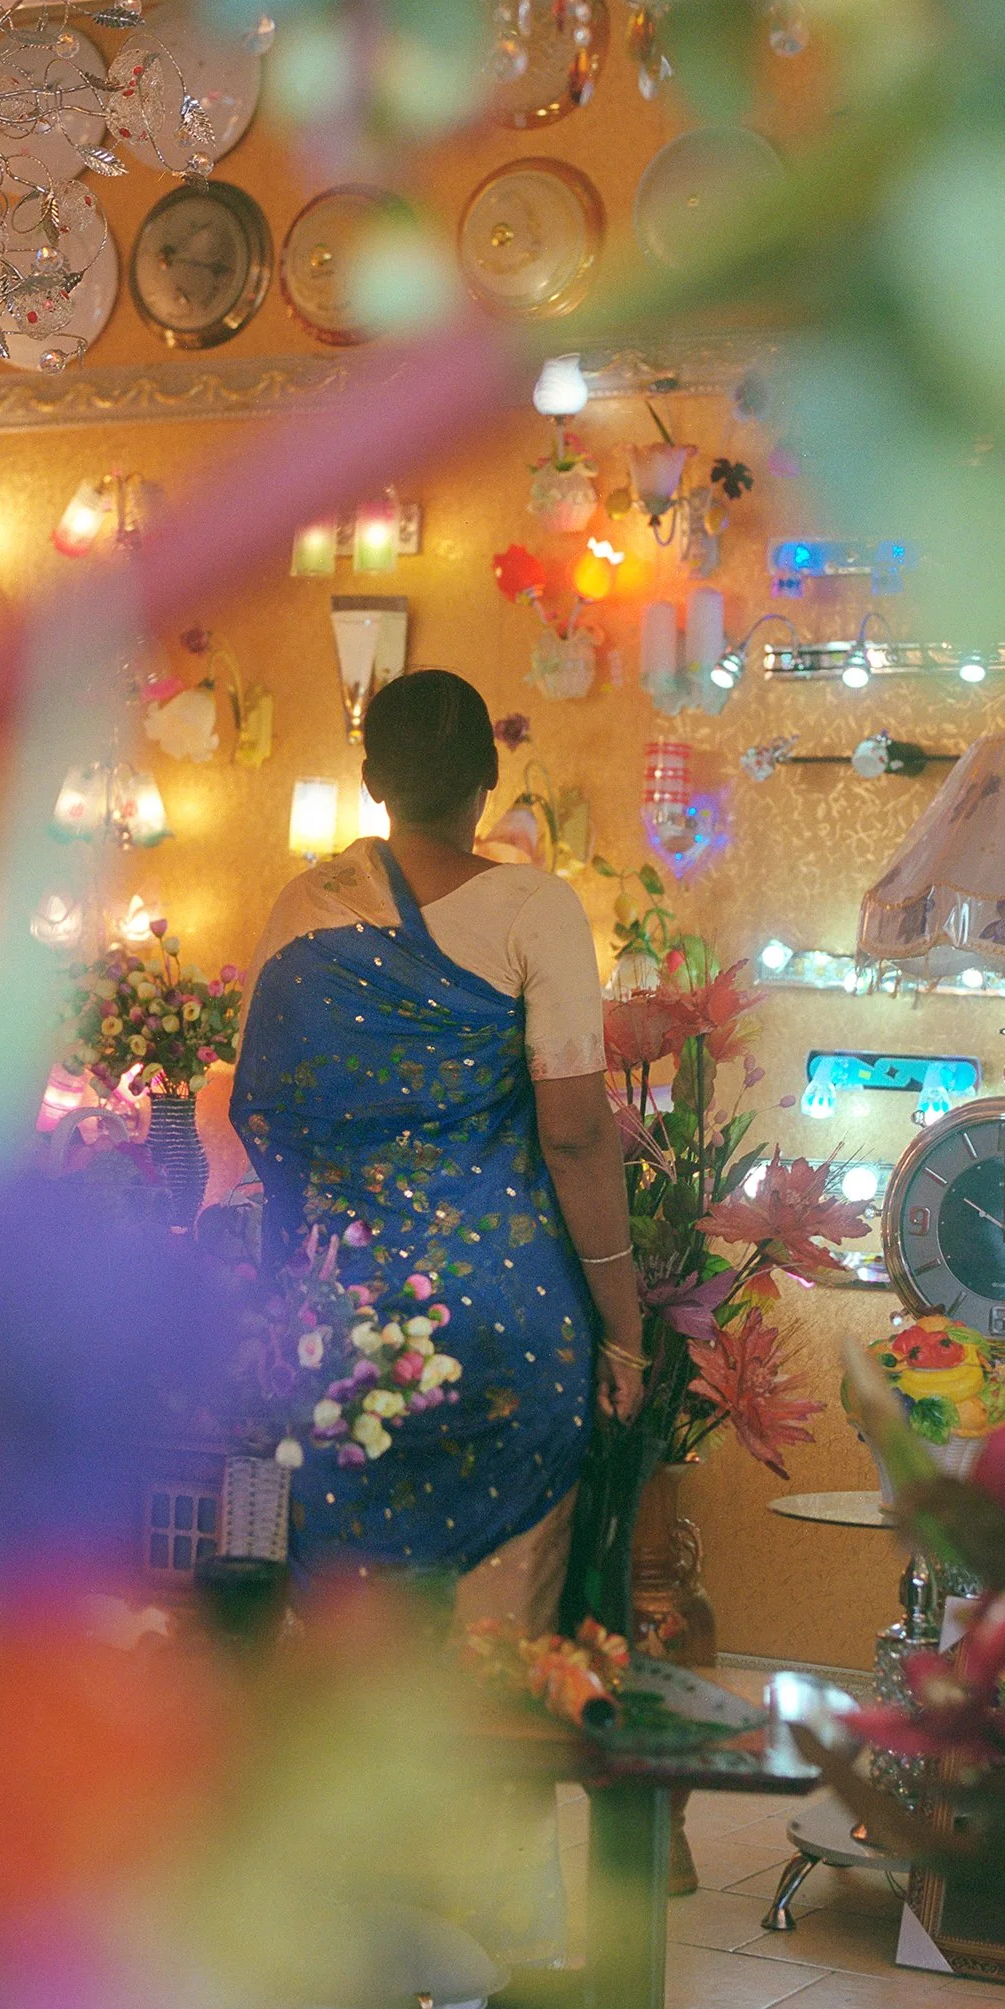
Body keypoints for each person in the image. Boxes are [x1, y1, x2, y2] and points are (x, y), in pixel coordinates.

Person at [233, 669, 646, 1638]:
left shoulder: (306, 908)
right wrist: (622, 1327)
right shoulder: (532, 907)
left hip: (344, 1322)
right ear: (486, 778)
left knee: (349, 1655)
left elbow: (268, 1117)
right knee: (498, 1668)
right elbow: (578, 1131)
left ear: (372, 776)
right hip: (504, 1317)